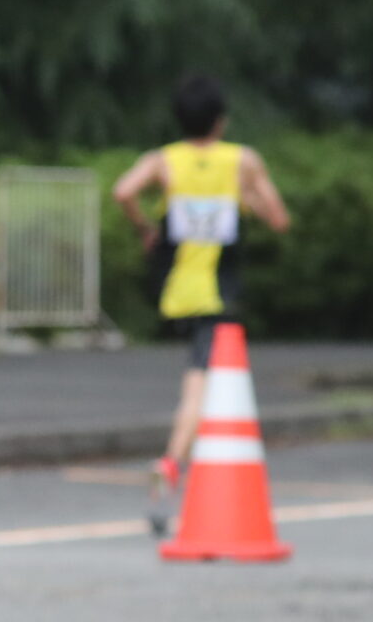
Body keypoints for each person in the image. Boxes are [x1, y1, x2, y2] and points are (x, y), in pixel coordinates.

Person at [110, 75, 294, 535]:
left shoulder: (164, 161)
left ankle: (180, 464)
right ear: (221, 121)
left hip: (177, 292)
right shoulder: (242, 161)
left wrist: (146, 231)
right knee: (198, 389)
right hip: (219, 293)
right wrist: (246, 197)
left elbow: (123, 191)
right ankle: (171, 463)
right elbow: (279, 219)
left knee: (205, 385)